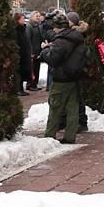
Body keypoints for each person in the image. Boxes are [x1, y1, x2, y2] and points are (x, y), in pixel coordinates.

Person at [39, 12, 88, 144]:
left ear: (59, 27)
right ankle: (70, 136)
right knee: (73, 108)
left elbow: (53, 59)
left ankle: (49, 135)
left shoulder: (61, 41)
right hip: (74, 77)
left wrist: (44, 50)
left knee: (55, 107)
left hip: (61, 78)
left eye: (54, 27)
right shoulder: (78, 37)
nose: (53, 30)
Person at [58, 11, 89, 133]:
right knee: (71, 97)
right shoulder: (74, 33)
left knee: (76, 98)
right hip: (73, 67)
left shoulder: (75, 34)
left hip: (75, 68)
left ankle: (81, 121)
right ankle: (66, 120)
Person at [14, 13, 32, 96]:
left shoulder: (24, 29)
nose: (24, 20)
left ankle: (21, 88)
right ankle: (18, 88)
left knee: (23, 72)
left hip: (25, 54)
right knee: (19, 72)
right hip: (20, 55)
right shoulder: (16, 30)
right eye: (22, 19)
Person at [26, 11, 44, 91]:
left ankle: (35, 83)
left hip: (38, 51)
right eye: (36, 16)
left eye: (39, 16)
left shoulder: (39, 26)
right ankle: (30, 84)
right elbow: (28, 40)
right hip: (33, 51)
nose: (38, 17)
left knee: (37, 68)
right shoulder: (29, 26)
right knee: (32, 69)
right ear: (32, 16)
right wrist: (31, 52)